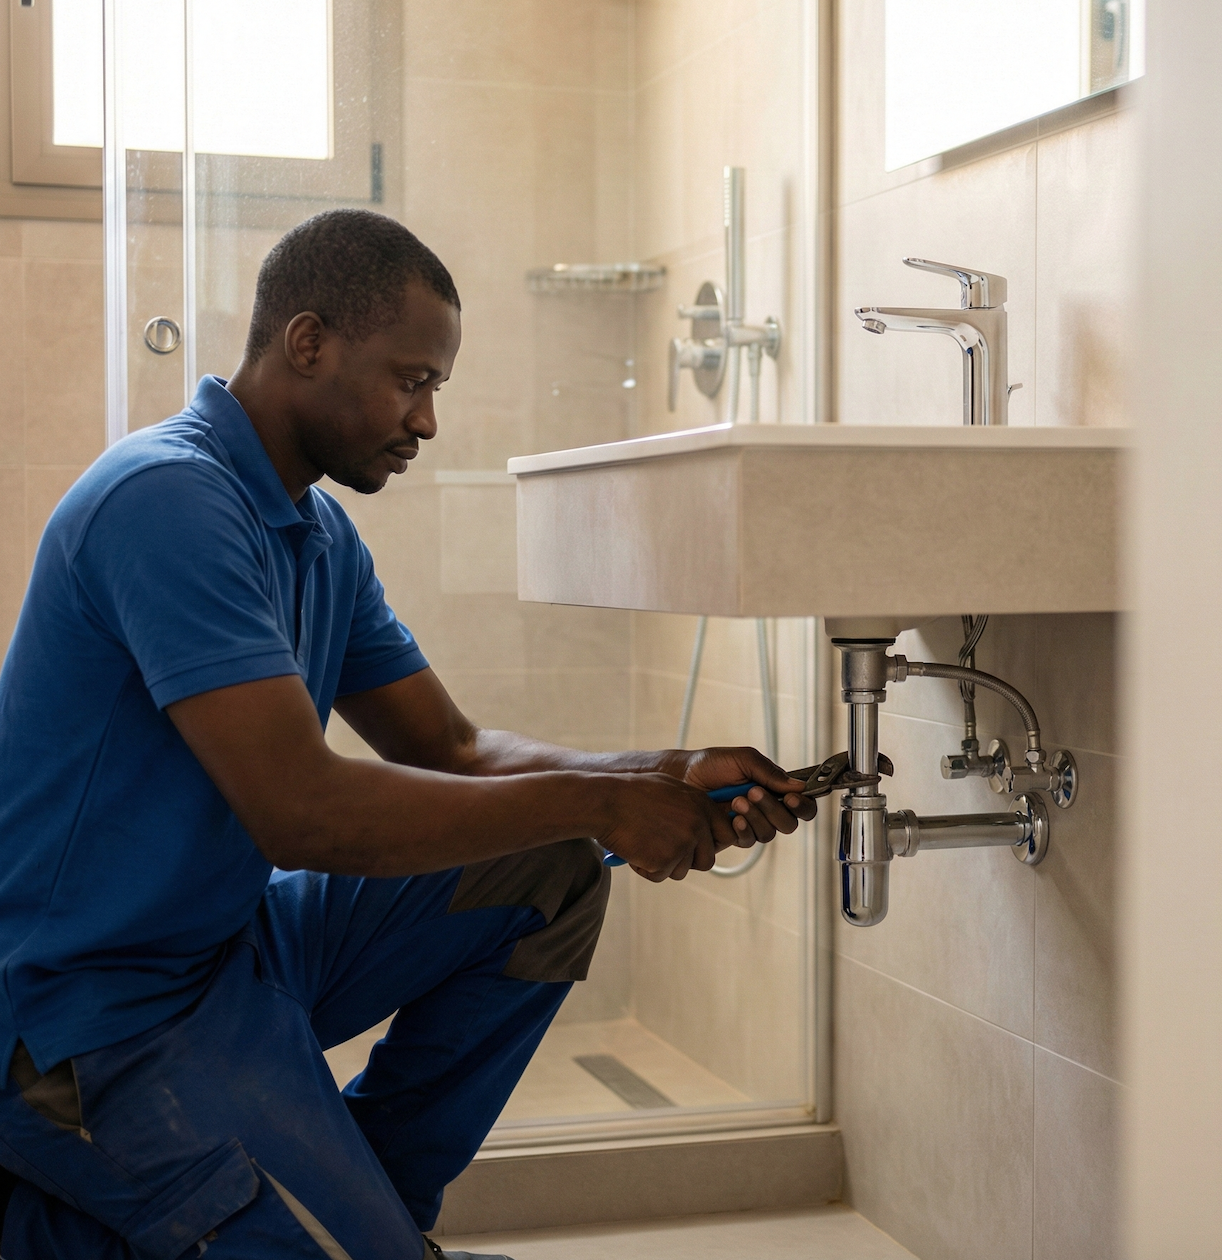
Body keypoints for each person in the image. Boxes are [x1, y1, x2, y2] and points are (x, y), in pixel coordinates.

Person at [0, 209, 815, 1260]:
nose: (426, 421)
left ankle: (358, 1210)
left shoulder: (315, 532)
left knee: (553, 866)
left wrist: (662, 771)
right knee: (575, 827)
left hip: (223, 954)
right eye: (411, 379)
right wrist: (609, 802)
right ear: (308, 344)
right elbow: (303, 814)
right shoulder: (167, 500)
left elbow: (456, 749)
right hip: (82, 1018)